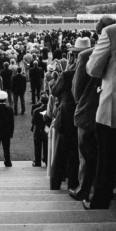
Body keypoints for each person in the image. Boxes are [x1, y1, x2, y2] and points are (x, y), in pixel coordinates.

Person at [83, 0, 116, 210]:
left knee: (107, 161)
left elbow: (92, 69)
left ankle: (100, 201)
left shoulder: (113, 31)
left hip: (114, 108)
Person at [70, 15, 116, 201]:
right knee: (107, 155)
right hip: (114, 109)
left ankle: (84, 189)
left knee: (87, 154)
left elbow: (76, 90)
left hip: (89, 110)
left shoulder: (85, 55)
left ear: (98, 32)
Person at [50, 37, 91, 191]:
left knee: (61, 154)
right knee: (75, 155)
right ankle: (73, 185)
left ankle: (55, 184)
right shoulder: (94, 74)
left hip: (67, 118)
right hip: (84, 119)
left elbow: (55, 91)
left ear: (73, 56)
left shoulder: (68, 74)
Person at [31, 94, 49, 167]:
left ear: (40, 101)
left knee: (37, 147)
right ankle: (47, 160)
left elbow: (33, 122)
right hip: (46, 130)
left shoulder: (36, 110)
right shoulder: (49, 110)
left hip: (38, 130)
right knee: (46, 147)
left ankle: (37, 161)